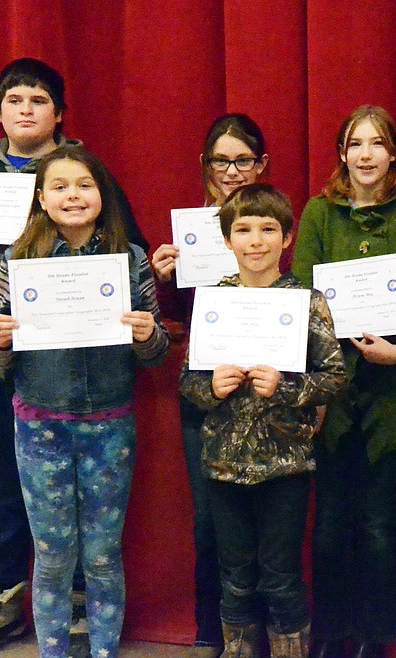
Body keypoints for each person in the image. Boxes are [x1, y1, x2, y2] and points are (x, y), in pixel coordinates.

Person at [0, 57, 146, 658]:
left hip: (81, 375)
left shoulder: (87, 174)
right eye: (15, 99)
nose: (26, 109)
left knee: (81, 515)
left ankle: (77, 605)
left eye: (38, 100)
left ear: (58, 113)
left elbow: (131, 257)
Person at [0, 145, 169, 657]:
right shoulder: (16, 261)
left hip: (109, 425)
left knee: (104, 554)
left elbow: (154, 357)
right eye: (60, 186)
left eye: (84, 185)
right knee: (53, 554)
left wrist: (147, 334)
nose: (73, 195)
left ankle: (104, 650)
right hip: (40, 426)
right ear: (41, 198)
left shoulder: (130, 260)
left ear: (102, 195)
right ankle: (54, 653)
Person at [291, 105, 396, 658]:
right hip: (331, 393)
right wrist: (331, 359)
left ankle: (373, 641)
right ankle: (330, 635)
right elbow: (303, 294)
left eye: (378, 144)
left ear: (393, 154)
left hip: (393, 392)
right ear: (342, 154)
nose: (367, 154)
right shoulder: (318, 214)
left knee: (378, 524)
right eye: (356, 144)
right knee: (328, 524)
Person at [180, 183, 348, 658]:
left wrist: (289, 388)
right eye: (244, 230)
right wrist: (210, 387)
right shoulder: (213, 300)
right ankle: (237, 649)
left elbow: (334, 377)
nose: (256, 240)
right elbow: (187, 383)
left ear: (287, 237)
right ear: (227, 240)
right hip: (223, 465)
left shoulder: (306, 300)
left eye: (268, 229)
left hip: (286, 466)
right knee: (234, 576)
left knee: (281, 577)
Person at [151, 113, 270, 648]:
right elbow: (180, 317)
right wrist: (167, 279)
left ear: (261, 165)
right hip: (207, 393)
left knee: (267, 529)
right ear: (205, 165)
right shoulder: (192, 232)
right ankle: (212, 633)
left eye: (243, 160)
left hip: (270, 392)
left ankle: (266, 633)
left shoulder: (276, 223)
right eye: (221, 160)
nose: (232, 171)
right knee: (210, 524)